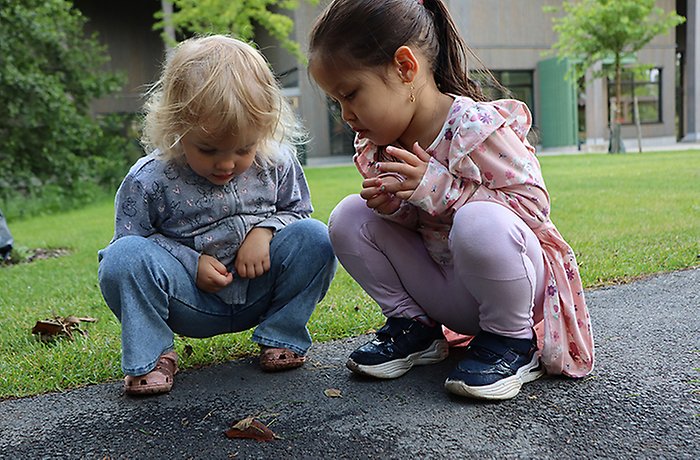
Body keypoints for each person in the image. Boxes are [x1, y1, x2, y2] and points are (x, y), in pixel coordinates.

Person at [308, 0, 594, 400]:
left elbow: (533, 209)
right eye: (336, 101)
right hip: (445, 290)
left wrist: (437, 188)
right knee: (348, 216)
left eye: (351, 94)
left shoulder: (473, 128)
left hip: (511, 289)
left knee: (479, 221)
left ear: (405, 67)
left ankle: (514, 343)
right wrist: (397, 209)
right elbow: (424, 223)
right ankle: (416, 329)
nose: (346, 115)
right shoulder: (379, 146)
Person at [98, 35, 337, 396]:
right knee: (121, 259)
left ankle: (281, 334)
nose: (226, 164)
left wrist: (266, 231)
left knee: (317, 237)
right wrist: (191, 262)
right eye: (207, 149)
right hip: (187, 299)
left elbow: (298, 211)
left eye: (243, 148)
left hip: (260, 291)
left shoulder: (276, 161)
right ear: (175, 127)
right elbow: (131, 244)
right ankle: (154, 355)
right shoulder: (149, 179)